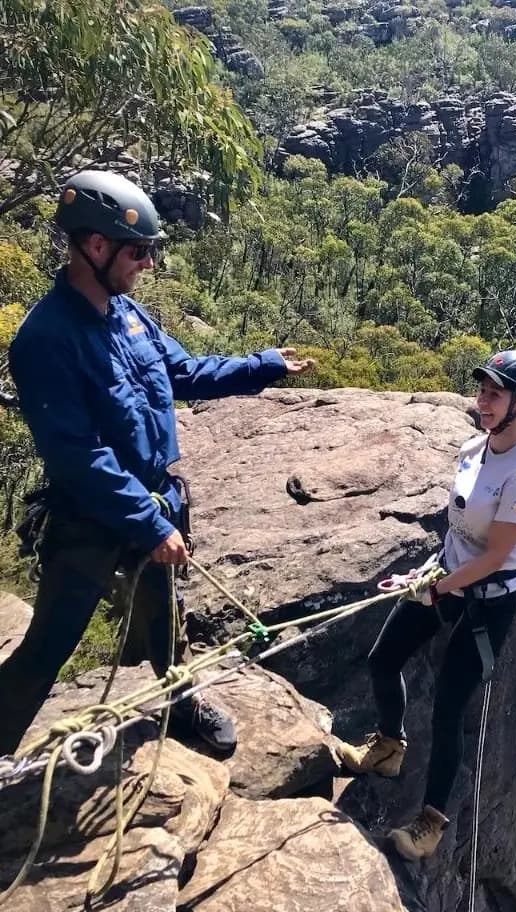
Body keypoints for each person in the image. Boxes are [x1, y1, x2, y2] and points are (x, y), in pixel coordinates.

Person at [0, 170, 313, 757]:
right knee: (50, 645)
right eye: (138, 251)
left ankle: (179, 700)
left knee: (166, 620)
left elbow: (185, 372)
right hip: (91, 518)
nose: (146, 264)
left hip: (156, 499)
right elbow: (77, 457)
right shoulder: (46, 339)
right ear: (96, 246)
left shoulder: (130, 316)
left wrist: (264, 364)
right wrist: (149, 524)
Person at [336, 349, 516, 861]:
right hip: (446, 576)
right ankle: (389, 747)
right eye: (482, 390)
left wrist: (438, 588)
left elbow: (497, 556)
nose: (483, 400)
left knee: (449, 709)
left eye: (495, 394)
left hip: (487, 601)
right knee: (383, 658)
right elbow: (458, 530)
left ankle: (430, 823)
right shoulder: (473, 449)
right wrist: (427, 572)